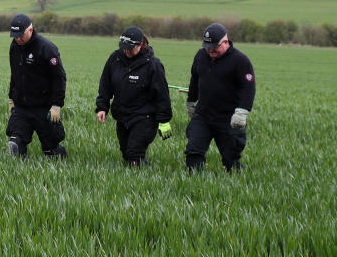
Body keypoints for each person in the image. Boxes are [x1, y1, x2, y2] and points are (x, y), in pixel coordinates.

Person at [95, 26, 173, 166]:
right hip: (122, 116)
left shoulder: (153, 65)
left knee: (134, 155)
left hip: (145, 117)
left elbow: (162, 95)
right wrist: (102, 107)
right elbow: (105, 84)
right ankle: (141, 170)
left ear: (141, 44)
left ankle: (146, 182)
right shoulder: (115, 58)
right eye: (124, 47)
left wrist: (164, 120)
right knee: (126, 154)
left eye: (130, 48)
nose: (126, 51)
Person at [185, 23, 256, 173]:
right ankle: (195, 182)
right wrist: (191, 101)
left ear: (225, 42)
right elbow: (194, 80)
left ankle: (236, 178)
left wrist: (242, 112)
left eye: (214, 47)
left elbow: (248, 88)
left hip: (228, 118)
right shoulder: (200, 55)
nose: (210, 50)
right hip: (203, 115)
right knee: (193, 151)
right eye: (207, 46)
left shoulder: (240, 61)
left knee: (231, 159)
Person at [6, 14, 68, 159]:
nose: (18, 39)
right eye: (15, 36)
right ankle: (20, 174)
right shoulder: (15, 46)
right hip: (22, 106)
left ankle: (58, 158)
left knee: (51, 152)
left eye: (21, 35)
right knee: (15, 144)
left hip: (44, 106)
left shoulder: (46, 48)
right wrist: (12, 98)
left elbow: (60, 78)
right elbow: (15, 74)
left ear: (31, 30)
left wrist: (57, 105)